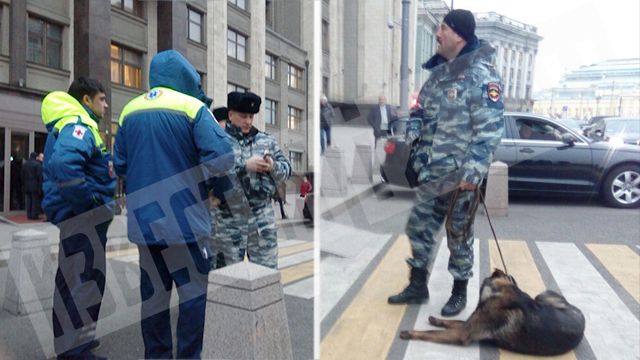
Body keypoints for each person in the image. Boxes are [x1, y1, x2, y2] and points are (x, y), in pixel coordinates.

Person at [113, 50, 233, 359]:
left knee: (153, 299)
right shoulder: (192, 107)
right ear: (187, 78)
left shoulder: (129, 110)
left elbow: (120, 164)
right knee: (193, 297)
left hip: (145, 224)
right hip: (186, 224)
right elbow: (222, 158)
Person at [387, 9, 504, 318]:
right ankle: (417, 285)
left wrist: (473, 172)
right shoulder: (438, 75)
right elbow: (419, 112)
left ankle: (459, 292)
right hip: (431, 173)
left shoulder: (483, 75)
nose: (437, 34)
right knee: (419, 228)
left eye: (443, 28)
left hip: (460, 176)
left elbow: (490, 129)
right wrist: (413, 141)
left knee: (459, 235)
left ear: (458, 35)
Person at [41, 76, 116, 359]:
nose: (106, 105)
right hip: (83, 218)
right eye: (101, 99)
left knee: (74, 279)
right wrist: (90, 203)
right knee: (83, 282)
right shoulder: (78, 125)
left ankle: (75, 342)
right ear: (86, 100)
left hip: (78, 218)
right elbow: (65, 166)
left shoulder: (75, 123)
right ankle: (75, 351)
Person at [211, 91, 292, 269]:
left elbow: (287, 170)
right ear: (230, 114)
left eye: (251, 116)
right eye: (243, 116)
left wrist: (272, 166)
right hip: (228, 222)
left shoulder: (267, 141)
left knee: (266, 277)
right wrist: (243, 166)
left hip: (261, 221)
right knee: (227, 280)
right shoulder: (219, 142)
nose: (248, 121)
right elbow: (208, 175)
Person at [22, 152, 43, 220]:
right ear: (36, 157)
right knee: (34, 200)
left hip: (26, 184)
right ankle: (34, 215)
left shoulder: (25, 164)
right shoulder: (37, 164)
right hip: (35, 185)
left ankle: (29, 214)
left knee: (29, 200)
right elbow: (39, 176)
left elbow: (22, 175)